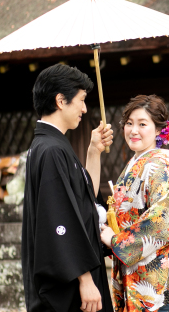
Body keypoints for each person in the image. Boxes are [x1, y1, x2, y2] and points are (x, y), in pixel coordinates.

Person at [22, 64, 114, 312]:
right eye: (81, 100)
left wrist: (93, 151)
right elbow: (59, 218)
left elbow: (83, 200)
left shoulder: (51, 145)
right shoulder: (51, 150)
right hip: (71, 280)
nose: (85, 108)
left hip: (75, 271)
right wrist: (84, 279)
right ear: (61, 100)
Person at [100, 95, 169, 312]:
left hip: (155, 275)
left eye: (142, 124)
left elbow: (162, 222)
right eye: (129, 123)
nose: (133, 130)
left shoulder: (156, 167)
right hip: (138, 268)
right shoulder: (136, 166)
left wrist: (117, 240)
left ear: (158, 130)